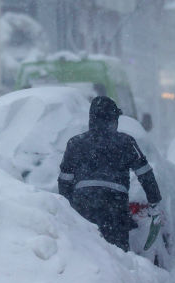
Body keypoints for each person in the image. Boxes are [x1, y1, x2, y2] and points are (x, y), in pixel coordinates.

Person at [58, 96, 162, 251]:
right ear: (113, 119)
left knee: (86, 251)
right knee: (117, 254)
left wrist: (67, 208)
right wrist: (154, 201)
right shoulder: (126, 142)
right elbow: (145, 174)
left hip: (84, 204)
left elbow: (64, 181)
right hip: (114, 204)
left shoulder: (76, 143)